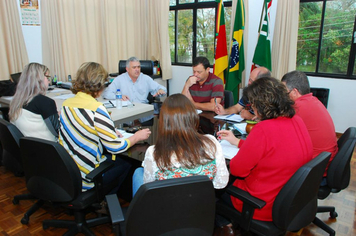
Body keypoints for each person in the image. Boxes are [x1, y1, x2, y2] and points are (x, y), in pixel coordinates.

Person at [216, 77, 313, 223]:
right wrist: (238, 142)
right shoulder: (296, 120)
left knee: (215, 192)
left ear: (260, 106)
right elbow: (273, 151)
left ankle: (225, 227)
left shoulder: (263, 129)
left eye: (252, 105)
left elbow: (237, 170)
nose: (251, 108)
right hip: (288, 200)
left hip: (260, 204)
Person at [59, 62, 151, 193]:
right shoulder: (97, 109)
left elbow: (84, 128)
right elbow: (116, 147)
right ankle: (105, 202)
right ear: (99, 84)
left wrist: (110, 131)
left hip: (68, 171)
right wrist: (137, 136)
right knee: (126, 163)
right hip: (86, 177)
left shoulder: (66, 104)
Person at [132, 93, 229, 196]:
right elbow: (220, 184)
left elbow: (150, 189)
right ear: (193, 117)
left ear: (164, 122)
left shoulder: (154, 152)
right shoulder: (212, 143)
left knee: (139, 172)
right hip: (200, 209)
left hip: (165, 208)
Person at [281, 70, 338, 182]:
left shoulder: (297, 108)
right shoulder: (314, 101)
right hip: (323, 163)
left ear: (294, 92)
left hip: (312, 170)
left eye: (284, 93)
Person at [102, 57, 167, 125]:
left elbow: (162, 89)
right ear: (127, 69)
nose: (137, 70)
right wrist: (119, 96)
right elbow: (106, 93)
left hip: (143, 113)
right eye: (134, 67)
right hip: (126, 113)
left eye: (138, 67)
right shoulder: (119, 79)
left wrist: (160, 90)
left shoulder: (146, 79)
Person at [9, 63, 59, 142]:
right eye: (47, 77)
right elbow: (58, 131)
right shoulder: (45, 102)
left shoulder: (16, 100)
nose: (49, 81)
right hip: (49, 148)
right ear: (39, 79)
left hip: (28, 147)